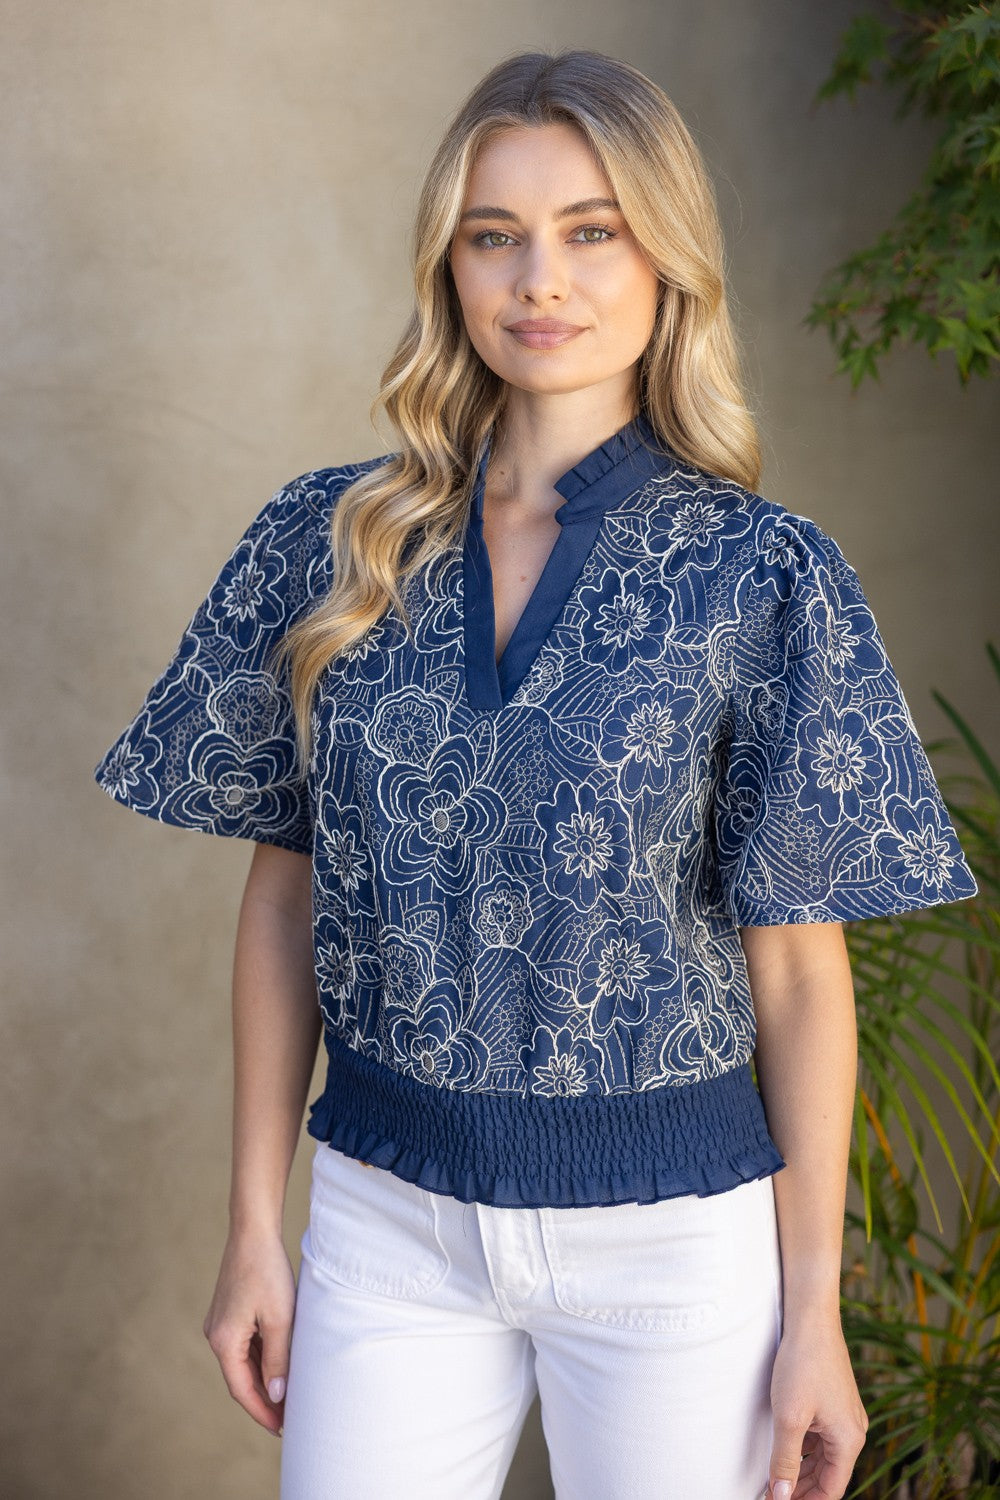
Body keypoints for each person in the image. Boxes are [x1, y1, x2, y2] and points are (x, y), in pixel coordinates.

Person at [92, 48, 979, 1500]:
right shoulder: (331, 543)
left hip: (673, 1243)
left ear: (666, 259)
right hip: (386, 1222)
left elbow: (801, 977)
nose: (538, 280)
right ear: (448, 266)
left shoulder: (763, 577)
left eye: (592, 231)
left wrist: (813, 1313)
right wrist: (256, 1222)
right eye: (493, 235)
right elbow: (285, 900)